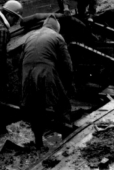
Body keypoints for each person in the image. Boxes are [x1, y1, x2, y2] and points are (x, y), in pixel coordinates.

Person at [21, 15, 74, 147]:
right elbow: (67, 64)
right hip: (45, 70)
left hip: (27, 72)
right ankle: (68, 141)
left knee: (35, 107)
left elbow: (20, 60)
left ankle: (38, 141)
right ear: (57, 28)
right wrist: (69, 84)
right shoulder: (57, 37)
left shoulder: (30, 36)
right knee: (62, 105)